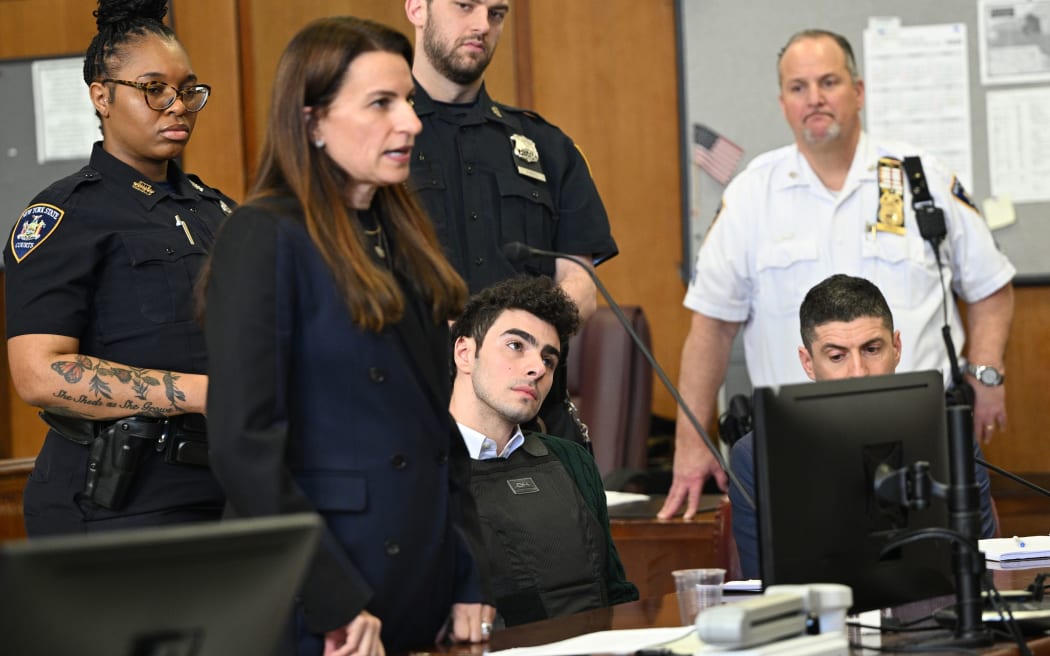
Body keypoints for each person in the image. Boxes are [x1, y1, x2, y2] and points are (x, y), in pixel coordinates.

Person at [203, 16, 488, 656]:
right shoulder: (262, 235)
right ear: (312, 122)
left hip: (420, 586)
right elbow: (244, 448)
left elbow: (438, 435)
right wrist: (333, 597)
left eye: (408, 102)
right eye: (381, 104)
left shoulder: (400, 234)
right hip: (321, 602)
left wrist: (469, 575)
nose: (410, 123)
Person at [660, 29, 1015, 519]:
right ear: (782, 101)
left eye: (829, 82)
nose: (815, 99)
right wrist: (692, 439)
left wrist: (987, 373)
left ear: (859, 92)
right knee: (804, 584)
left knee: (938, 579)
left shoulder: (921, 178)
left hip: (917, 438)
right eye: (799, 87)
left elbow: (990, 287)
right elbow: (711, 328)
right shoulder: (751, 195)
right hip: (799, 444)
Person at [3, 0, 232, 535]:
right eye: (154, 89)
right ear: (101, 97)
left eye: (188, 90)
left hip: (227, 487)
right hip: (120, 502)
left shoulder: (218, 211)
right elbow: (38, 372)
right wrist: (201, 393)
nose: (176, 106)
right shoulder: (66, 215)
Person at [404, 0, 618, 446]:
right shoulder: (381, 142)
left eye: (496, 13)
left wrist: (514, 349)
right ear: (416, 7)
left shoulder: (546, 146)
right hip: (413, 416)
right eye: (465, 6)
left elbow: (580, 287)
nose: (482, 25)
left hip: (533, 425)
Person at [728, 274, 998, 578]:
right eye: (837, 356)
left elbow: (981, 561)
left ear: (896, 347)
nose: (858, 371)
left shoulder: (950, 436)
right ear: (808, 363)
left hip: (935, 615)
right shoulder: (754, 456)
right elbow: (764, 583)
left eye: (872, 349)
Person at [449, 276, 639, 627]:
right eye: (516, 346)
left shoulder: (572, 460)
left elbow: (616, 593)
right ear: (465, 353)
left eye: (548, 360)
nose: (537, 368)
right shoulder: (423, 470)